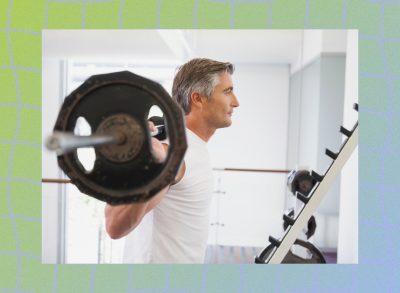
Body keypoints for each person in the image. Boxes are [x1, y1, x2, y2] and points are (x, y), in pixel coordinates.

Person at [105, 58, 239, 263]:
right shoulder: (176, 153)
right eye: (227, 91)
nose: (236, 102)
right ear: (198, 99)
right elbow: (115, 225)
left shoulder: (191, 147)